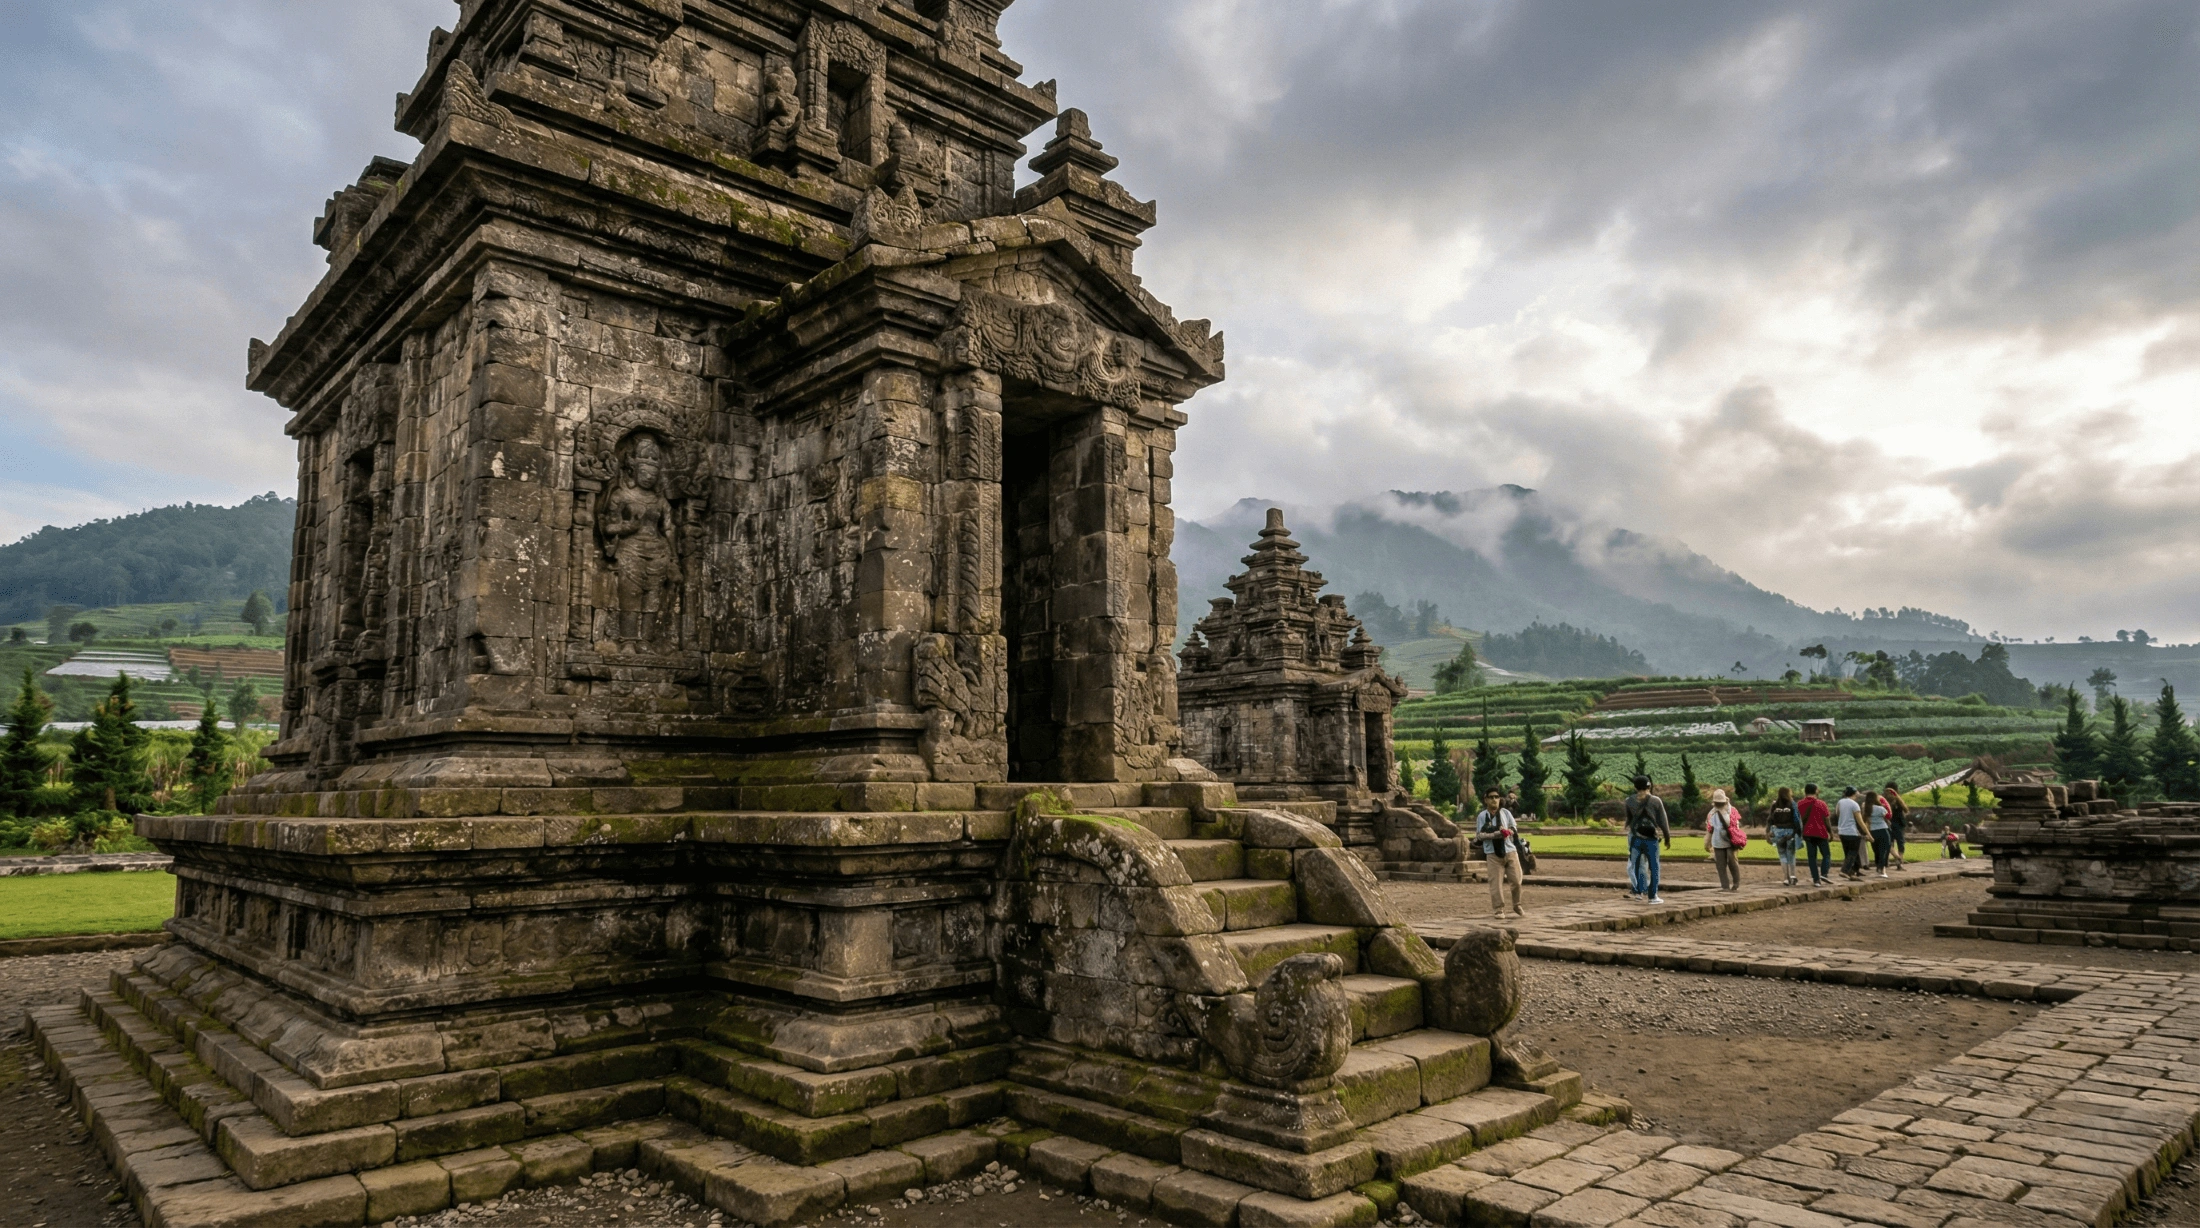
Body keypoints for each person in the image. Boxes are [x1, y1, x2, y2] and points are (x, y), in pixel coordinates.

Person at [1473, 787, 1526, 917]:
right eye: (1491, 797)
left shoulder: (1506, 813)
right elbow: (1480, 835)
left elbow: (1514, 827)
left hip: (1510, 850)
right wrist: (1496, 834)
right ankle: (1498, 908)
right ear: (1486, 800)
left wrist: (1508, 831)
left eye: (1496, 797)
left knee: (1517, 880)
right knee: (1495, 884)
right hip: (1493, 853)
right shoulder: (1482, 816)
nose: (1494, 799)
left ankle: (1517, 904)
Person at [1623, 775, 1672, 903]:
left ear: (1635, 787)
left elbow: (1628, 820)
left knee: (1637, 865)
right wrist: (1667, 838)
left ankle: (1639, 892)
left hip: (1635, 837)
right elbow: (1663, 821)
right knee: (1654, 866)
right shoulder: (1656, 801)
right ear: (1649, 786)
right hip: (1651, 838)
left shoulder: (1629, 801)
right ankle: (1652, 896)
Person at [1704, 788, 1744, 891]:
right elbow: (1709, 830)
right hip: (1717, 842)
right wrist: (1707, 843)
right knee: (1720, 865)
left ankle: (1736, 882)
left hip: (1730, 841)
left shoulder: (1732, 810)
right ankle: (1725, 885)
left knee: (1732, 861)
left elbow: (1736, 826)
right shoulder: (1711, 814)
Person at [1798, 783, 1833, 885]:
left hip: (1807, 833)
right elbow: (1826, 819)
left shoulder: (1799, 804)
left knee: (1812, 857)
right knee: (1826, 854)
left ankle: (1816, 879)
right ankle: (1824, 873)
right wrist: (1830, 832)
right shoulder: (1821, 804)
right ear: (1816, 791)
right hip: (1821, 832)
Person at [1767, 787, 1801, 886]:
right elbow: (1796, 819)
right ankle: (1793, 876)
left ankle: (1786, 878)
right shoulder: (1792, 804)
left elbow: (1770, 819)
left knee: (1782, 855)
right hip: (1790, 832)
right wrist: (1798, 831)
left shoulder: (1775, 805)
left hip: (1778, 832)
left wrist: (1768, 831)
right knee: (1791, 854)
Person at [1835, 786, 1866, 880]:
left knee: (1849, 853)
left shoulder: (1840, 802)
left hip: (1842, 831)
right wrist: (1868, 833)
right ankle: (1844, 870)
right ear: (1854, 793)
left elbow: (1837, 813)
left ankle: (1852, 872)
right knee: (1853, 852)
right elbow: (1860, 821)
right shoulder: (1854, 804)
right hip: (1852, 831)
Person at [1865, 789, 1892, 878]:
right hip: (1883, 829)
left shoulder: (1867, 809)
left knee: (1876, 850)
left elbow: (1866, 820)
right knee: (1884, 850)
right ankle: (1882, 869)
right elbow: (1888, 816)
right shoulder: (1880, 808)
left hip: (1872, 831)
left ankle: (1878, 867)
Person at [1883, 780, 1909, 871]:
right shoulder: (1887, 800)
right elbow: (1906, 810)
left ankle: (1897, 860)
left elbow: (1905, 809)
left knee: (1892, 843)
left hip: (1892, 824)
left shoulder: (1888, 800)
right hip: (1895, 824)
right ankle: (1899, 860)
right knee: (1897, 843)